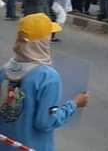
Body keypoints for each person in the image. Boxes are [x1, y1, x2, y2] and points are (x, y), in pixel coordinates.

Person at [0, 13, 89, 151]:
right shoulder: (48, 77)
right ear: (43, 42)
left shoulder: (4, 70)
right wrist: (74, 104)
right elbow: (45, 122)